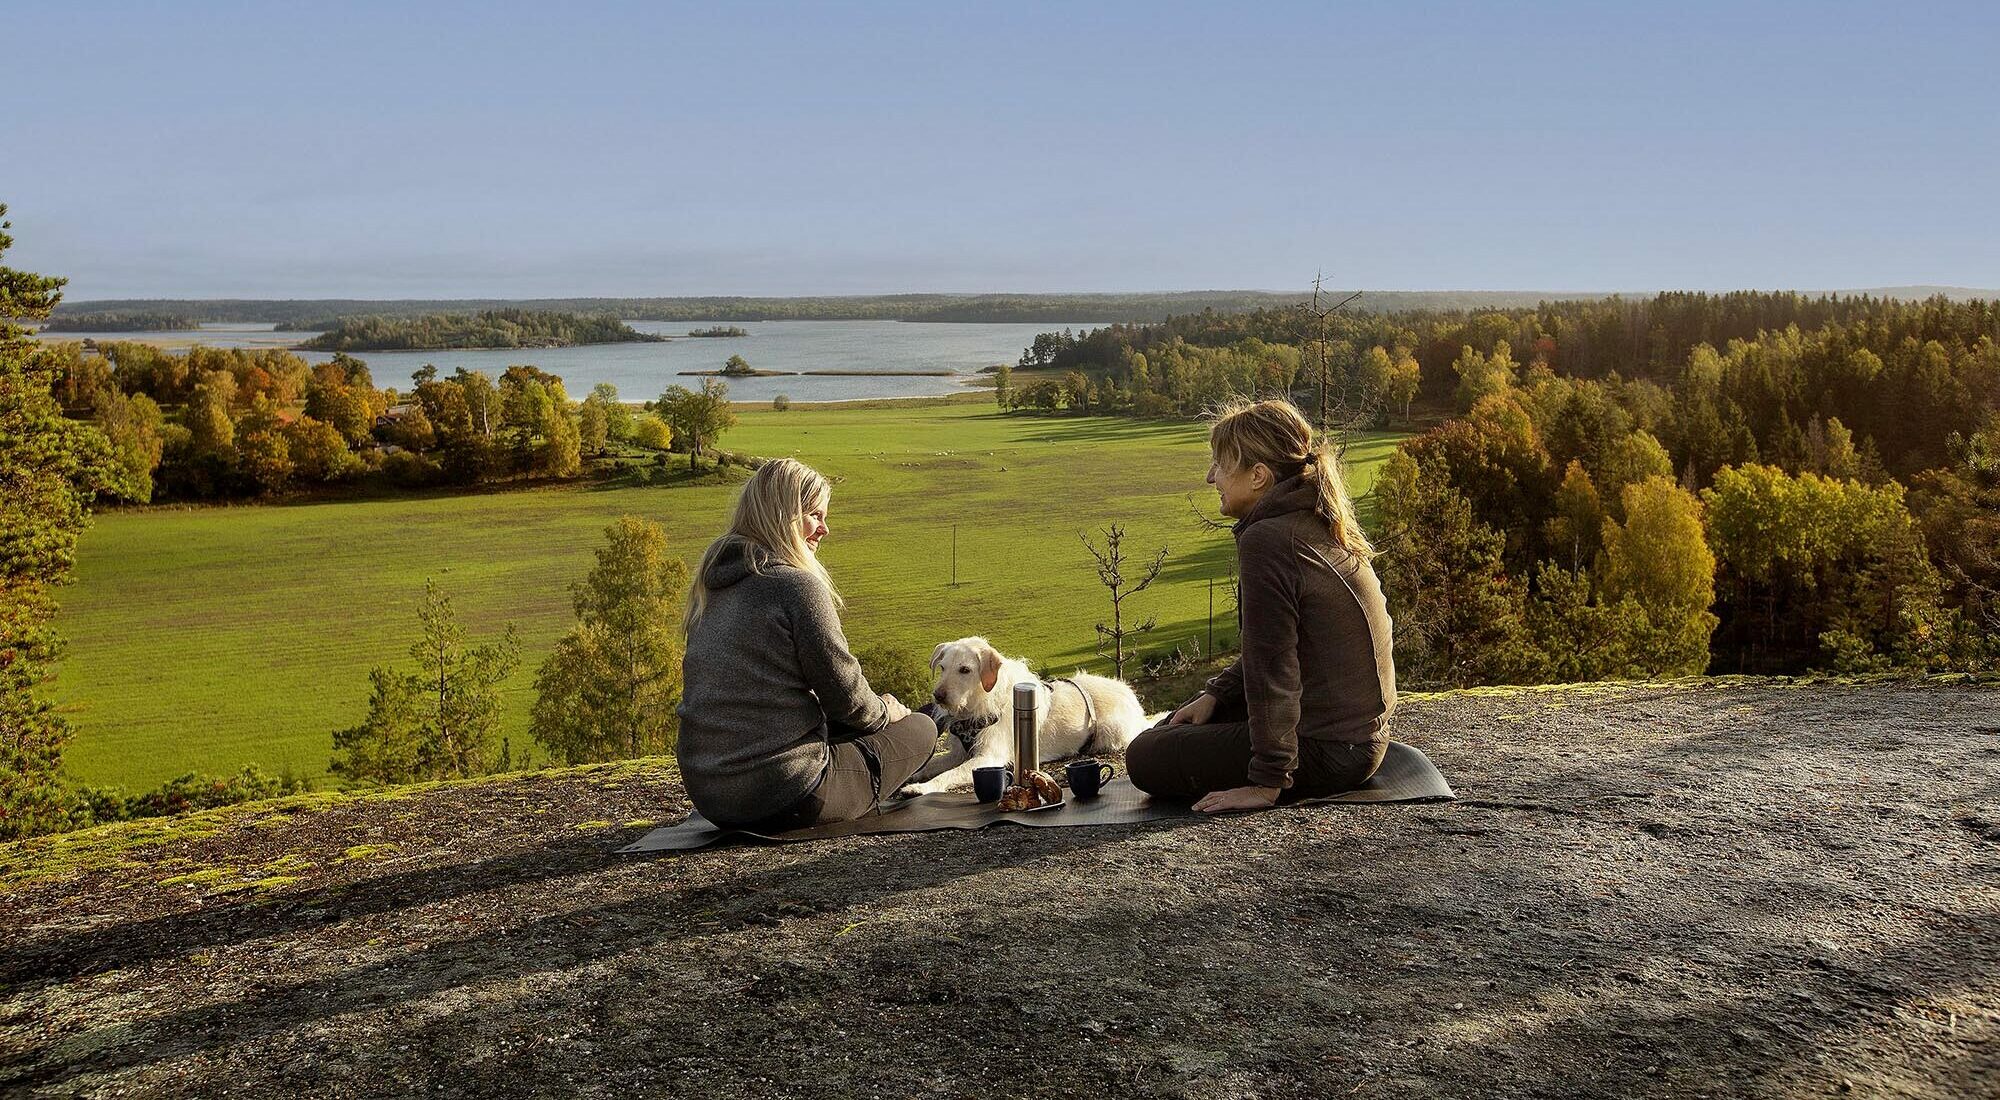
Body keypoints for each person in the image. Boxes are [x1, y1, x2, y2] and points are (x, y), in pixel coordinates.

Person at [1125, 398, 1395, 813]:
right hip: (1354, 739)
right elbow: (1277, 646)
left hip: (1332, 749)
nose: (1210, 476)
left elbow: (1275, 669)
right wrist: (1216, 695)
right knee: (1180, 720)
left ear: (1258, 476)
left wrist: (1267, 782)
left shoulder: (1269, 540)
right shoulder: (1309, 518)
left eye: (1220, 464)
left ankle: (1271, 766)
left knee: (1144, 755)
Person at [676, 458, 939, 829]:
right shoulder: (796, 586)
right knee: (923, 728)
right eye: (814, 515)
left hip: (712, 798)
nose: (824, 529)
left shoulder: (710, 588)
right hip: (786, 794)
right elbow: (849, 700)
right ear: (783, 516)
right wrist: (889, 712)